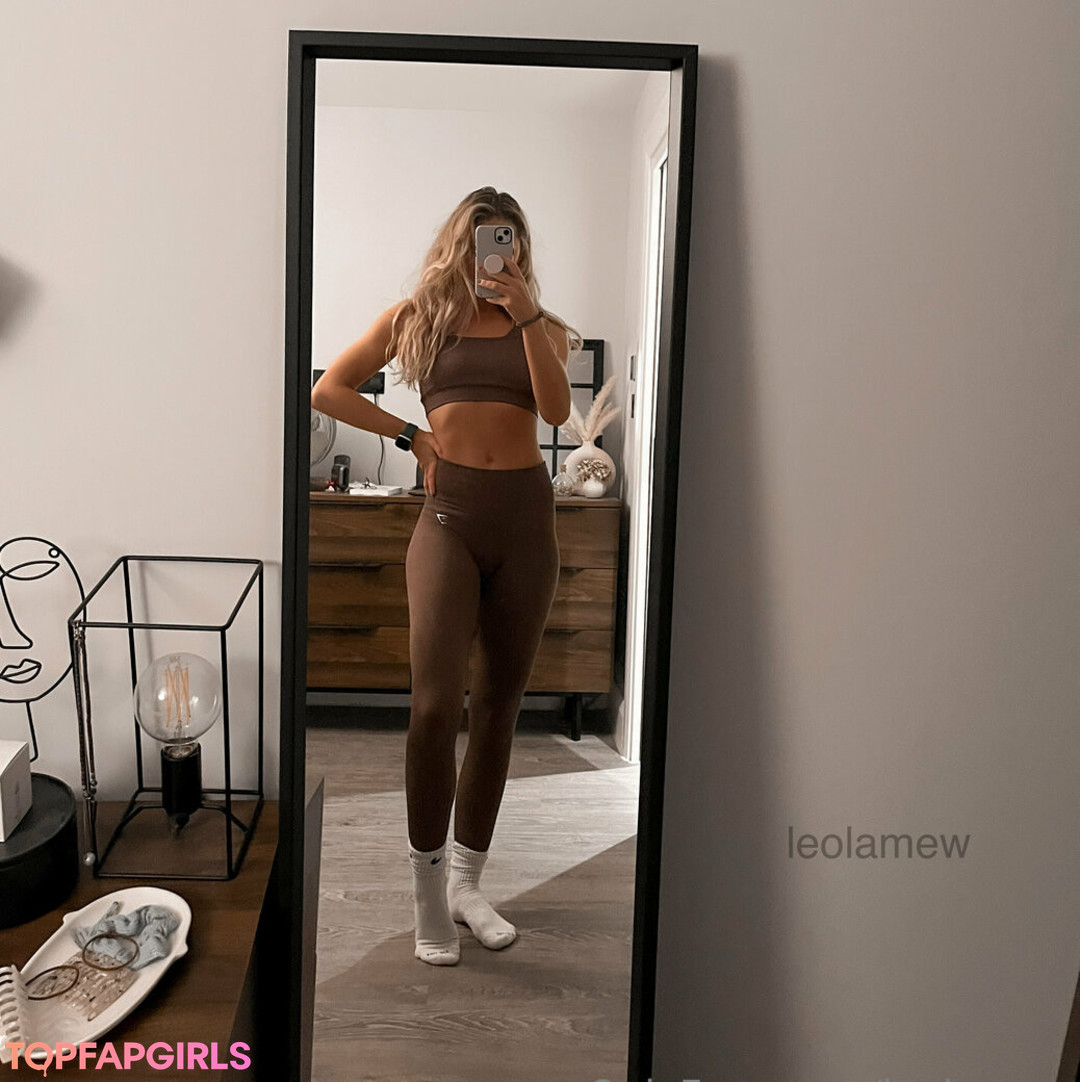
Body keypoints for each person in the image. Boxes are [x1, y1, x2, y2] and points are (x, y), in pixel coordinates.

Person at [311, 187, 584, 965]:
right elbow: (328, 389)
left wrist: (526, 315)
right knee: (434, 707)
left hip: (526, 522)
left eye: (508, 240)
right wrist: (413, 436)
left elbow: (556, 414)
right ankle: (428, 891)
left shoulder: (545, 329)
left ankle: (467, 884)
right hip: (449, 517)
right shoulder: (417, 318)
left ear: (520, 249)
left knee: (498, 708)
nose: (495, 252)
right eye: (482, 238)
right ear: (458, 244)